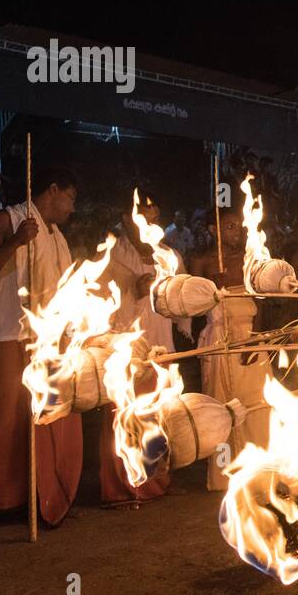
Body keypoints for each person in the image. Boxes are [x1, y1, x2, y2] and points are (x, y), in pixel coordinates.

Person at [0, 166, 81, 537]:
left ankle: (43, 495)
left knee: (53, 417)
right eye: (71, 198)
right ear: (53, 188)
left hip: (50, 339)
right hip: (9, 334)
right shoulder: (5, 221)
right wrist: (14, 243)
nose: (73, 208)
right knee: (5, 416)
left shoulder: (58, 236)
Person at [98, 192, 181, 508]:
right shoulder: (111, 255)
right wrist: (133, 291)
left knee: (158, 416)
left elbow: (181, 301)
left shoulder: (168, 255)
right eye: (145, 217)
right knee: (126, 416)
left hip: (161, 345)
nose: (152, 223)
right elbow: (100, 302)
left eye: (156, 217)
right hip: (126, 348)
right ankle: (123, 487)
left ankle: (157, 481)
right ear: (128, 218)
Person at [190, 208, 272, 491]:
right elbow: (191, 304)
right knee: (220, 404)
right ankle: (223, 475)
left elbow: (261, 302)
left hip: (247, 337)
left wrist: (255, 339)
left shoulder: (251, 258)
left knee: (256, 403)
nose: (237, 232)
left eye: (239, 227)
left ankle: (258, 468)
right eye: (230, 226)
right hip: (218, 337)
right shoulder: (201, 262)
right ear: (214, 229)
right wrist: (213, 289)